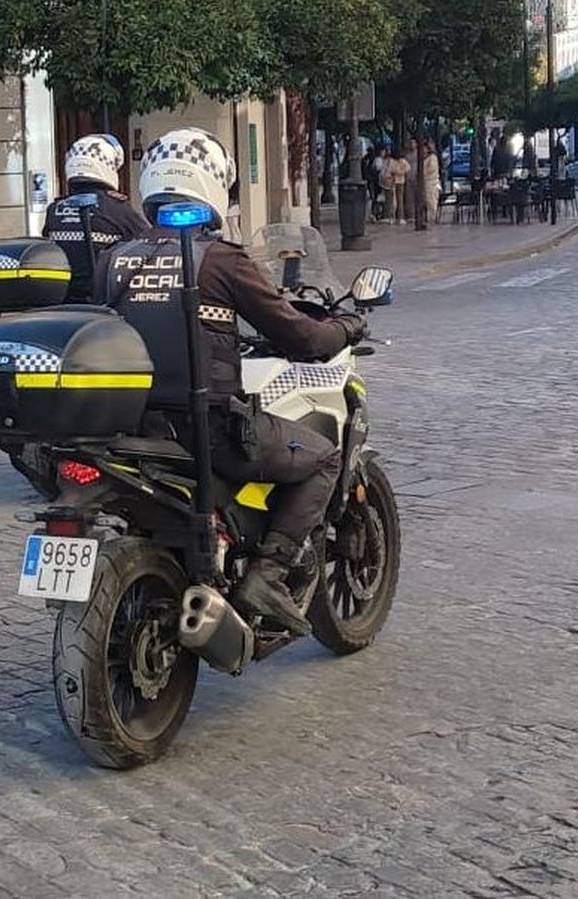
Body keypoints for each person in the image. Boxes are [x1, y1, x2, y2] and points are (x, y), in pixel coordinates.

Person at [95, 127, 367, 635]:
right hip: (208, 433)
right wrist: (346, 326)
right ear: (214, 182)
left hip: (135, 430)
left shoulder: (115, 260)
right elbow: (301, 338)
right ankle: (268, 573)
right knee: (324, 458)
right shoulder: (220, 258)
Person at [42, 134, 148, 300]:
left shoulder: (54, 209)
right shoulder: (118, 209)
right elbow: (148, 242)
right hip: (103, 302)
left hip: (62, 300)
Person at [388, 145, 411, 225]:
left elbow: (407, 168)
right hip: (396, 181)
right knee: (396, 200)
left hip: (398, 181)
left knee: (398, 200)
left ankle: (399, 217)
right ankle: (395, 217)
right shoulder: (394, 161)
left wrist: (399, 172)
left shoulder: (400, 161)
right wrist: (401, 172)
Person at [422, 141, 442, 220]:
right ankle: (428, 217)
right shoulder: (425, 158)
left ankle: (432, 217)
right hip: (425, 182)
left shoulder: (432, 157)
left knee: (431, 200)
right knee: (426, 200)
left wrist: (423, 173)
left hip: (431, 182)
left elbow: (431, 169)